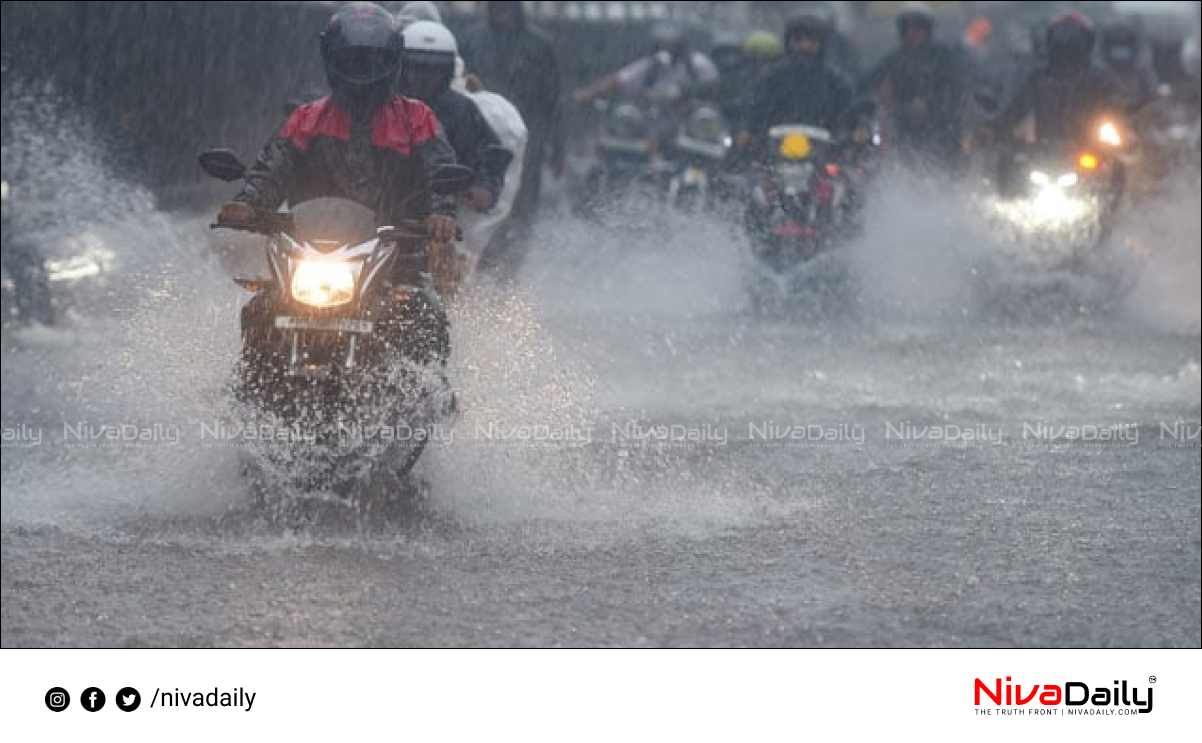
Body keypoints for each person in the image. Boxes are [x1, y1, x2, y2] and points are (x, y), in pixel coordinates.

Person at [218, 3, 457, 244]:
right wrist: (247, 202)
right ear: (331, 58)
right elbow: (272, 170)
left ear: (393, 60)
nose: (363, 71)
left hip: (402, 248)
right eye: (352, 60)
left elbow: (440, 171)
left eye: (372, 61)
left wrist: (441, 214)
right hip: (310, 248)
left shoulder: (417, 118)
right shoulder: (306, 119)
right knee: (256, 280)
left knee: (440, 267)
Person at [400, 20, 518, 283]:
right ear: (401, 67)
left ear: (447, 71)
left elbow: (490, 154)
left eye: (433, 70)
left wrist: (483, 187)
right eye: (416, 68)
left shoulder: (463, 112)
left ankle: (444, 317)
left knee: (442, 275)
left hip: (441, 221)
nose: (423, 77)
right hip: (379, 212)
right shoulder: (382, 107)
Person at [459, 1, 563, 279]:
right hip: (482, 139)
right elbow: (459, 89)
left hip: (529, 141)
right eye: (496, 6)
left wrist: (558, 147)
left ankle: (509, 271)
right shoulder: (473, 41)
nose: (501, 12)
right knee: (482, 203)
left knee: (522, 207)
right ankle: (478, 266)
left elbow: (552, 99)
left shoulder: (540, 45)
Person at [993, 11, 1125, 146]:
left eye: (1074, 40)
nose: (1067, 45)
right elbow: (1015, 110)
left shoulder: (1101, 80)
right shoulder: (1039, 78)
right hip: (1044, 153)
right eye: (1061, 39)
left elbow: (1120, 111)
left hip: (1094, 152)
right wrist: (994, 131)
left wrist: (1121, 133)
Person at [864, 1, 967, 170]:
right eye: (908, 28)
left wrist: (931, 105)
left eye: (918, 28)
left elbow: (957, 90)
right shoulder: (894, 60)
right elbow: (869, 84)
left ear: (927, 30)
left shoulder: (944, 59)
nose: (913, 33)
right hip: (906, 133)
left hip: (942, 131)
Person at [744, 12, 854, 145]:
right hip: (774, 150)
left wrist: (851, 130)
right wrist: (749, 131)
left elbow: (847, 112)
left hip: (823, 151)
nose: (805, 46)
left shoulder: (835, 81)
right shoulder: (772, 78)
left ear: (821, 45)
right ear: (788, 43)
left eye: (811, 41)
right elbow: (756, 110)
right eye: (798, 40)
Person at [574, 22, 719, 109]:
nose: (668, 50)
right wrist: (589, 94)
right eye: (663, 45)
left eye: (674, 46)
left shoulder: (699, 65)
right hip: (651, 120)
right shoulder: (651, 66)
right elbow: (619, 80)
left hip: (689, 123)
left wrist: (688, 96)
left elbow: (713, 90)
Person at [1, 179, 55, 326]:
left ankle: (36, 319)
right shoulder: (13, 204)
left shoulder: (15, 204)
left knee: (30, 281)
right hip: (19, 248)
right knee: (26, 282)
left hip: (22, 248)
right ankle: (30, 319)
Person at [1099, 19, 1159, 110]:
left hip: (1137, 114)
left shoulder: (1143, 70)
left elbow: (1152, 94)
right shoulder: (1101, 74)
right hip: (1107, 115)